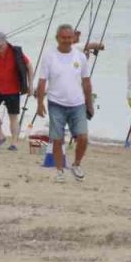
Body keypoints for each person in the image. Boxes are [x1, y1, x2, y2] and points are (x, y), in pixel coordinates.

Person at [34, 24, 94, 182]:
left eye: (69, 37)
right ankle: (60, 170)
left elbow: (86, 82)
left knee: (83, 137)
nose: (67, 41)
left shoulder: (80, 56)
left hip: (78, 104)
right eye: (64, 38)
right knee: (57, 139)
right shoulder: (49, 56)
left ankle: (76, 164)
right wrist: (39, 104)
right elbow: (42, 82)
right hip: (56, 103)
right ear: (57, 38)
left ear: (74, 37)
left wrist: (90, 104)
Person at [0, 31, 32, 150]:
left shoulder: (16, 52)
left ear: (6, 42)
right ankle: (0, 135)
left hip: (13, 89)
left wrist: (30, 85)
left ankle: (14, 143)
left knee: (13, 117)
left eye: (0, 45)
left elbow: (29, 66)